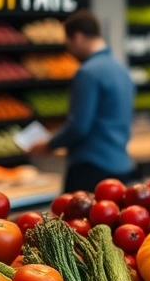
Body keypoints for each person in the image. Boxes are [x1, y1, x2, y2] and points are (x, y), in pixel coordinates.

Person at [30, 10, 136, 193]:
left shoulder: (87, 72)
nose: (69, 51)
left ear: (77, 37)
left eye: (68, 43)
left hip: (91, 169)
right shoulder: (121, 67)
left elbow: (78, 126)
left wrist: (48, 144)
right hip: (122, 166)